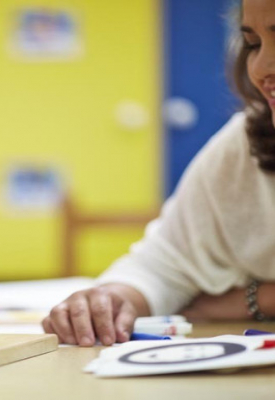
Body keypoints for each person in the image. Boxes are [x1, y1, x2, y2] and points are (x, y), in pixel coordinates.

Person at [43, 0, 275, 347]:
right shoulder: (244, 144)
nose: (261, 67)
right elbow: (163, 265)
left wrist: (255, 299)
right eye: (253, 44)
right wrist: (113, 298)